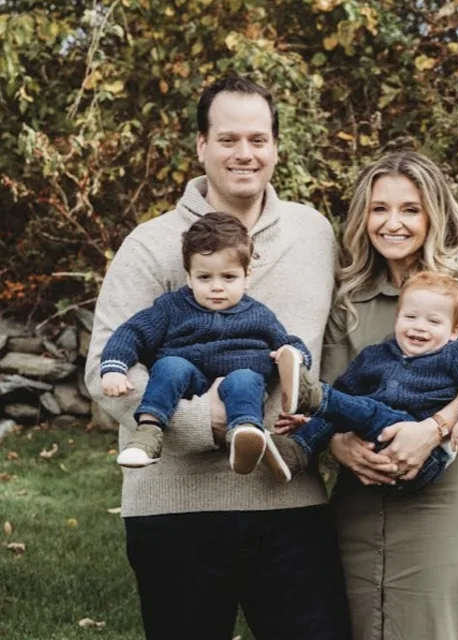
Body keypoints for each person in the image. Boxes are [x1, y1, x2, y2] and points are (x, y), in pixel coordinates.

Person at [85, 76, 351, 640]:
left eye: (258, 139)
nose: (244, 153)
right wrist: (202, 421)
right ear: (201, 146)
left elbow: (335, 352)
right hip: (175, 507)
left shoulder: (315, 234)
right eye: (228, 139)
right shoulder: (152, 244)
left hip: (291, 502)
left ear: (277, 146)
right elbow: (104, 367)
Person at [319, 150, 458, 640]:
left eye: (409, 209)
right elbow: (327, 393)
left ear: (434, 212)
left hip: (443, 494)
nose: (393, 223)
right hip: (359, 497)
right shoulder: (348, 290)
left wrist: (433, 431)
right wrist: (338, 446)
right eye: (379, 209)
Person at [100, 211, 310, 478]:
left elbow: (287, 343)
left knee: (245, 380)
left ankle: (244, 435)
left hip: (240, 381)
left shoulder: (259, 315)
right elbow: (132, 332)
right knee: (170, 366)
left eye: (229, 277)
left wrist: (292, 355)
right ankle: (148, 435)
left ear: (247, 276)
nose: (217, 287)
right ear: (189, 277)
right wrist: (114, 368)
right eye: (204, 278)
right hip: (190, 380)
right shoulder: (172, 307)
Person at [270, 270, 458, 496]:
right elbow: (345, 392)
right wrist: (311, 420)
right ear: (397, 318)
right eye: (411, 317)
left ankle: (313, 396)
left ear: (454, 331)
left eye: (433, 321)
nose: (419, 326)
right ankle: (294, 453)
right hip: (376, 452)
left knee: (365, 407)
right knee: (343, 409)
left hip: (423, 456)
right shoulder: (374, 356)